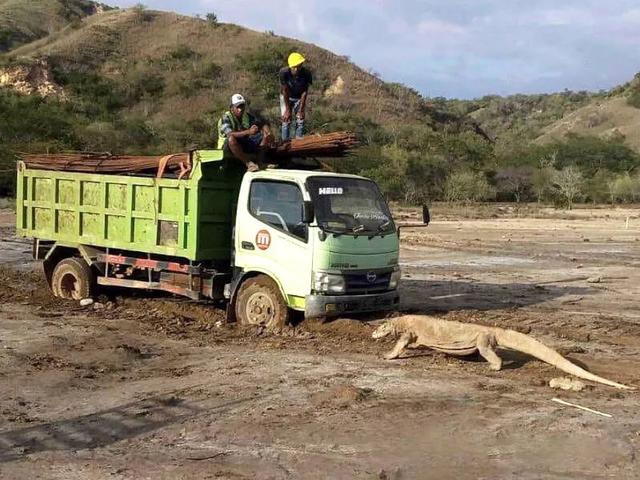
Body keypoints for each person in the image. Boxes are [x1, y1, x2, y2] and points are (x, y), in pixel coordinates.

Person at [217, 93, 272, 171]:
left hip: (242, 143)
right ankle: (248, 163)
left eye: (242, 106)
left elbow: (261, 123)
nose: (241, 109)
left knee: (264, 136)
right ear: (232, 108)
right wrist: (248, 132)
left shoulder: (246, 116)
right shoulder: (226, 117)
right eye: (238, 107)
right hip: (227, 147)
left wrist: (267, 131)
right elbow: (230, 134)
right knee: (231, 138)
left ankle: (260, 162)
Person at [279, 52, 312, 140]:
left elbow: (305, 91)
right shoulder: (283, 73)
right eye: (294, 67)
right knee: (286, 120)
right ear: (290, 66)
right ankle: (285, 143)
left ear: (302, 64)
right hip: (286, 97)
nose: (296, 69)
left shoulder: (307, 74)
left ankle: (299, 142)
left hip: (299, 97)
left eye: (299, 66)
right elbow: (285, 90)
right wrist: (287, 109)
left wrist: (301, 110)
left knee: (300, 119)